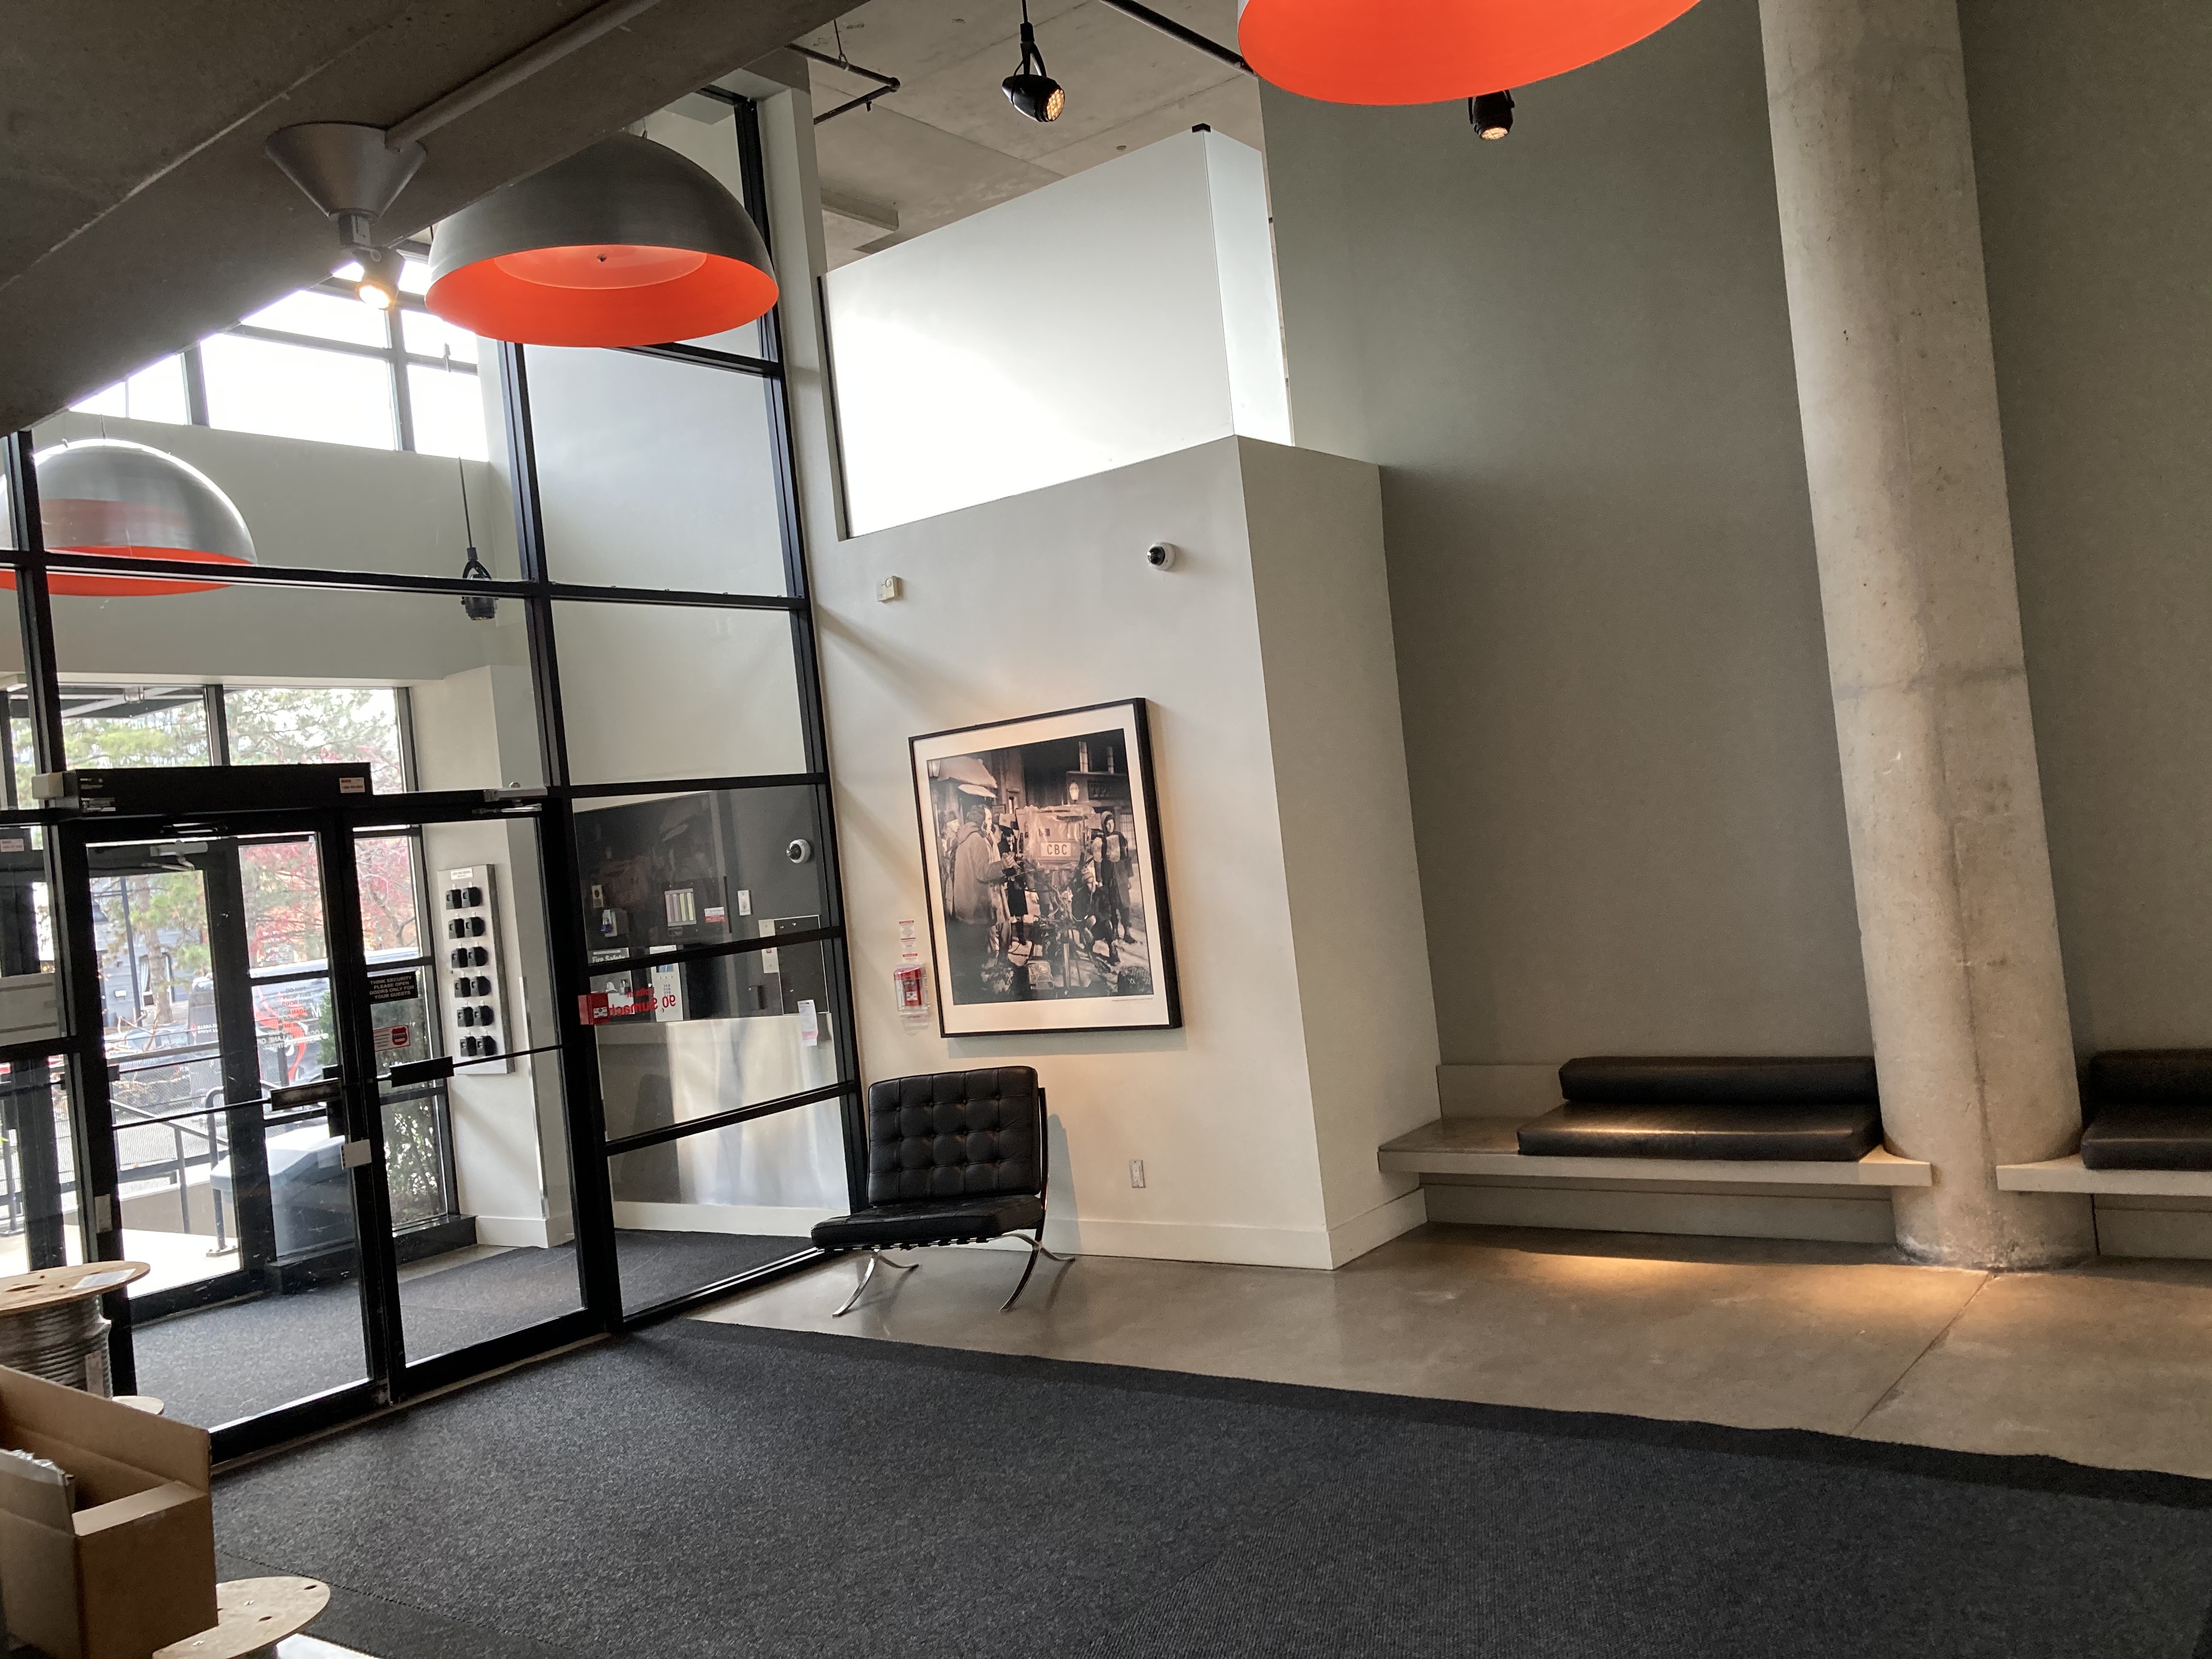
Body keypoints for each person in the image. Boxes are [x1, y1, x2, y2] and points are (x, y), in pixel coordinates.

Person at [945, 799, 1006, 1002]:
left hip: (962, 906)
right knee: (978, 953)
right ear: (980, 822)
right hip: (976, 907)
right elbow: (982, 873)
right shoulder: (978, 840)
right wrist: (1003, 866)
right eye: (986, 820)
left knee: (969, 955)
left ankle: (971, 989)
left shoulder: (962, 839)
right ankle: (977, 994)